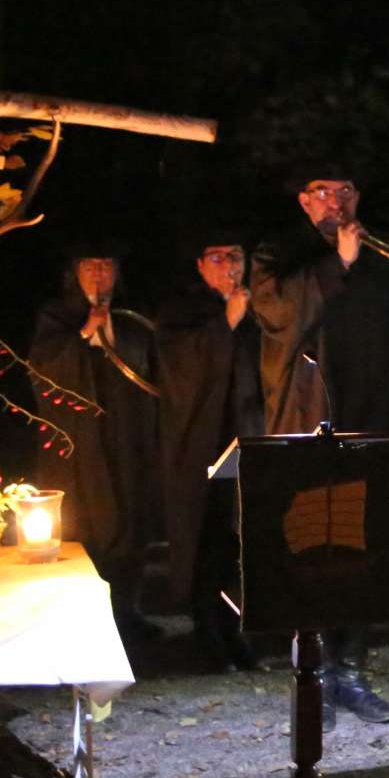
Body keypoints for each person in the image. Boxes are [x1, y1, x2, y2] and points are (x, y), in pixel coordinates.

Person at [250, 173, 389, 730]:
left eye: (345, 192)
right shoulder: (279, 253)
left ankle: (351, 668)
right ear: (302, 200)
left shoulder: (384, 254)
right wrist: (338, 265)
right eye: (323, 192)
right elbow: (279, 313)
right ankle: (313, 678)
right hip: (312, 419)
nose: (336, 202)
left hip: (378, 422)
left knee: (371, 548)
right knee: (316, 546)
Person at [29, 244, 161, 644]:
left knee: (129, 515)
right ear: (76, 271)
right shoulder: (56, 315)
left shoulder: (134, 315)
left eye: (107, 265)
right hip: (79, 441)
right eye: (90, 265)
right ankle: (80, 618)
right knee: (86, 520)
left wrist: (115, 335)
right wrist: (85, 334)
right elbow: (42, 367)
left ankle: (126, 610)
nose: (99, 274)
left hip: (126, 434)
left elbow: (152, 362)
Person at [157, 231, 264, 673]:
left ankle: (237, 631)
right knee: (205, 540)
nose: (228, 267)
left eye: (235, 256)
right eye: (217, 257)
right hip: (201, 445)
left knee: (240, 543)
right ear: (200, 265)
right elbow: (180, 371)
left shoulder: (258, 306)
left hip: (247, 438)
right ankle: (207, 634)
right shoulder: (183, 312)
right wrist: (226, 323)